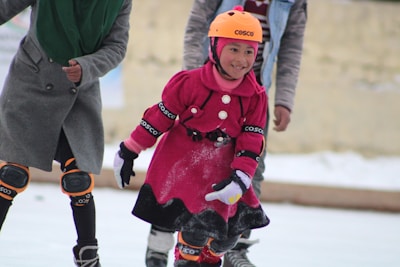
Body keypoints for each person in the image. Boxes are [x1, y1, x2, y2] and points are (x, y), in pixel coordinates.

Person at [144, 0, 308, 267]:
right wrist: (194, 82)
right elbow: (197, 26)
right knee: (182, 169)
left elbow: (291, 48)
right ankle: (158, 246)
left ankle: (235, 247)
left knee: (247, 170)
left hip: (253, 98)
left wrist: (284, 99)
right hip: (207, 91)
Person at [114, 6, 270, 267]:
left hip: (222, 172)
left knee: (227, 239)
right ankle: (177, 256)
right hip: (184, 166)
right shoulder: (189, 82)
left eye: (249, 51)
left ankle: (209, 256)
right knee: (193, 238)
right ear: (215, 47)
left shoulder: (256, 96)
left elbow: (251, 141)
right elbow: (159, 117)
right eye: (233, 49)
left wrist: (242, 178)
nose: (241, 59)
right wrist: (130, 149)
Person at [0, 1, 131, 266]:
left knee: (78, 179)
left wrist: (87, 66)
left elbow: (116, 47)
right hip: (30, 84)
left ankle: (87, 253)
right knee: (11, 176)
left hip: (79, 91)